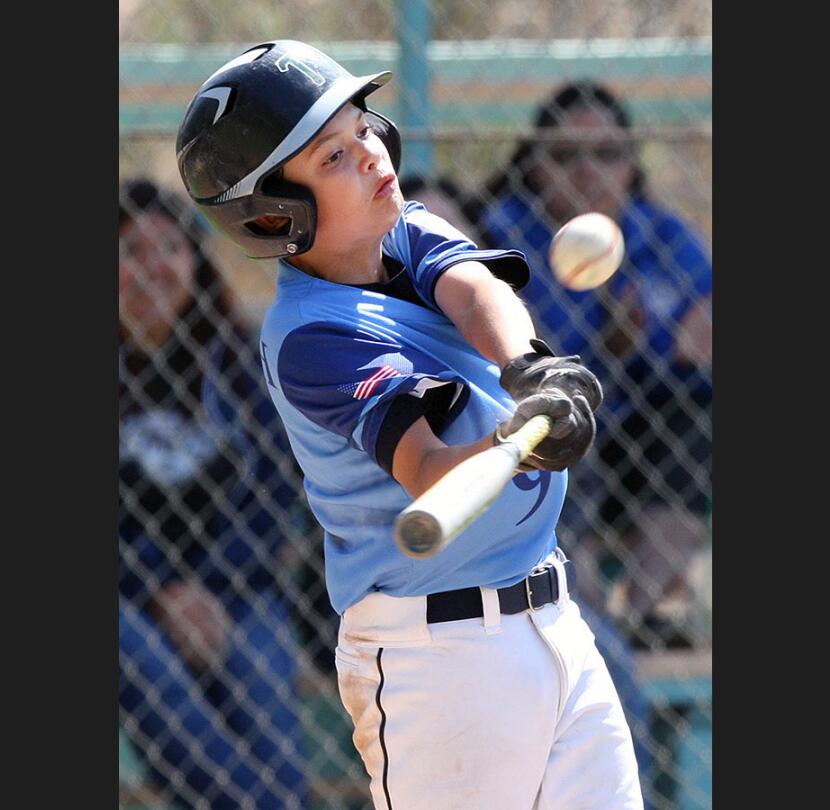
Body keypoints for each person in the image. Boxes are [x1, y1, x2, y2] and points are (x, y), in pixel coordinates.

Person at [176, 40, 644, 809]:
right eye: (331, 157)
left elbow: (470, 286)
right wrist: (511, 439)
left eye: (361, 128)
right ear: (273, 215)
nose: (366, 154)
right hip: (445, 659)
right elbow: (426, 470)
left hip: (552, 620)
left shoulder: (398, 227)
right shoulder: (313, 334)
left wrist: (526, 368)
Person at [478, 81, 713, 653]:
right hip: (547, 440)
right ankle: (579, 614)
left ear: (631, 166)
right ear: (533, 167)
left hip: (639, 444)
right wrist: (609, 342)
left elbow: (698, 335)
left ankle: (649, 614)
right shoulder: (500, 234)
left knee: (696, 413)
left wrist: (663, 344)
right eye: (565, 156)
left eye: (607, 154)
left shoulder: (659, 235)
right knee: (548, 417)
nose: (587, 172)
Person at [117, 178, 307, 809]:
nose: (151, 269)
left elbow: (273, 497)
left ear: (194, 262)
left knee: (261, 686)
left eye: (167, 248)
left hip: (231, 584)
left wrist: (211, 588)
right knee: (155, 676)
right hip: (127, 593)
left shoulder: (238, 364)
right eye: (130, 251)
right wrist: (160, 591)